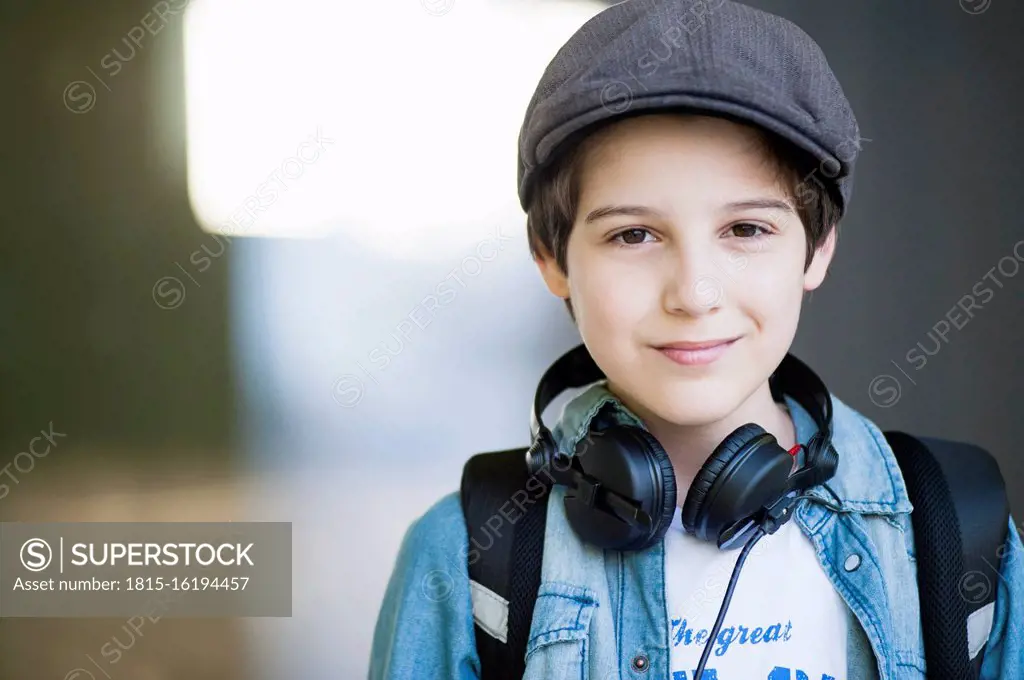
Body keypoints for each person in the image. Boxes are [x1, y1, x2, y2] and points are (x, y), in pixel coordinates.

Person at [367, 1, 1024, 678]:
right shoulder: (470, 554)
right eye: (634, 235)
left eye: (746, 230)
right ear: (551, 257)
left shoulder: (955, 529)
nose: (694, 294)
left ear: (818, 247)